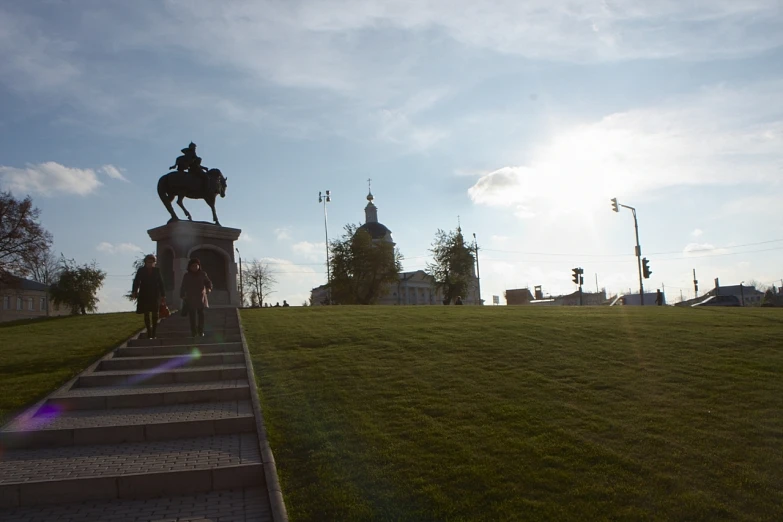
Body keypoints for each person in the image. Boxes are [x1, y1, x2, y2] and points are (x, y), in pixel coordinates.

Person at [131, 254, 166, 339]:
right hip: (144, 294)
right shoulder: (141, 270)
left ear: (154, 262)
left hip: (154, 294)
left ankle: (153, 332)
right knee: (146, 313)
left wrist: (163, 295)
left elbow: (161, 283)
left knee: (155, 312)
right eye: (148, 262)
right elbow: (136, 281)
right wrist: (134, 291)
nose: (150, 264)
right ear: (145, 262)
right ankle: (149, 332)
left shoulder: (157, 270)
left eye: (152, 262)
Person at [180, 258, 213, 337]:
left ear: (199, 266)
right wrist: (182, 295)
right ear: (190, 267)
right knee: (192, 316)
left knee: (201, 315)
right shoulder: (187, 275)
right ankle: (194, 331)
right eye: (193, 266)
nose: (195, 267)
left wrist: (209, 288)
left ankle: (201, 331)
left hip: (201, 297)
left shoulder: (202, 274)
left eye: (196, 265)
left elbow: (208, 282)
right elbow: (183, 286)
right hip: (190, 297)